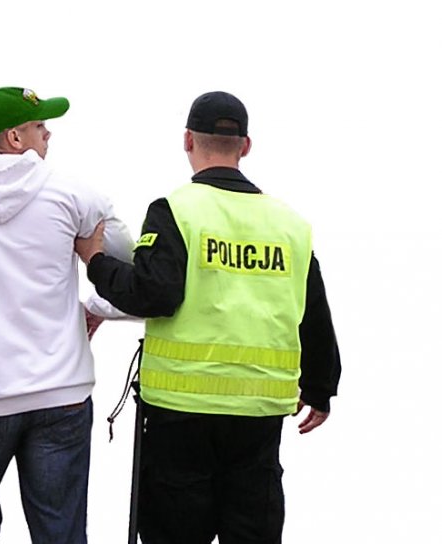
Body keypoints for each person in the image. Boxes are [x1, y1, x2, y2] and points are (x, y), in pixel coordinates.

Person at [75, 91, 342, 544]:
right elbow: (312, 307)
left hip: (182, 410)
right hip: (258, 412)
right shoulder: (289, 225)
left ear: (187, 140)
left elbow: (154, 294)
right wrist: (321, 386)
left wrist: (96, 262)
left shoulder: (175, 211)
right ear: (246, 146)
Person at [0, 86, 135, 544]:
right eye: (40, 126)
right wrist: (100, 307)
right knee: (60, 533)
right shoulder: (75, 196)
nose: (48, 135)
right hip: (62, 395)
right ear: (14, 138)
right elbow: (136, 272)